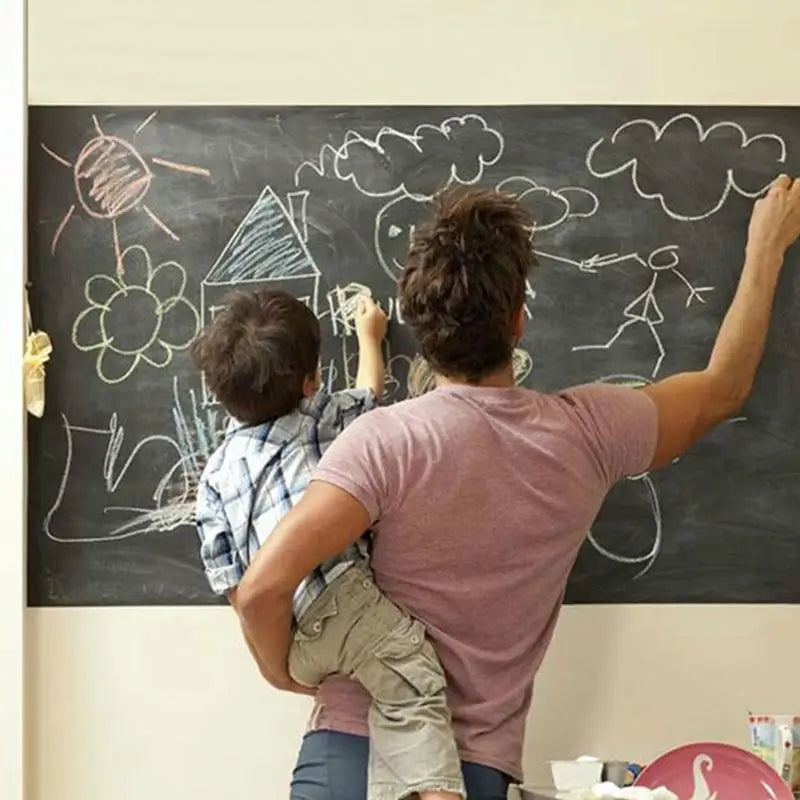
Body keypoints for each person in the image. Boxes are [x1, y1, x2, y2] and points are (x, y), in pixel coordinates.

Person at [232, 178, 800, 800]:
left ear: (419, 331)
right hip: (470, 771)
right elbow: (723, 388)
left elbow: (260, 589)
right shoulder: (588, 431)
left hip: (347, 753)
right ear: (517, 321)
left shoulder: (382, 442)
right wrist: (766, 247)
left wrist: (284, 674)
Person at [191, 288, 465, 800]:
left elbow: (233, 584)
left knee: (383, 691)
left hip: (290, 638)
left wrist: (283, 664)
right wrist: (370, 338)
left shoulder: (214, 478)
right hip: (344, 601)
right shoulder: (316, 420)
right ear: (311, 381)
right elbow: (369, 397)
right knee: (415, 685)